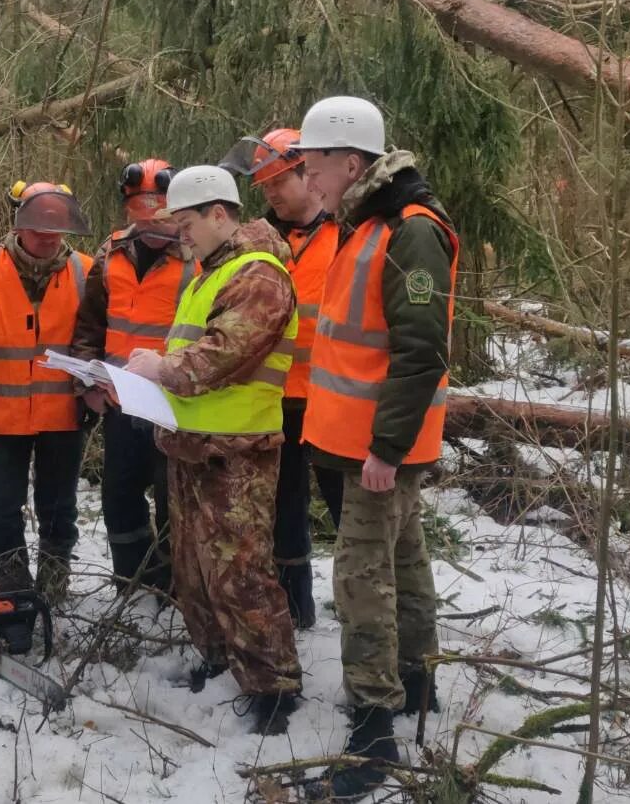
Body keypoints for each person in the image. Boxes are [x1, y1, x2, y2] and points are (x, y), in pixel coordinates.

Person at [293, 96, 457, 799]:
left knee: (361, 578)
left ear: (352, 162)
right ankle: (418, 683)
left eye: (315, 165)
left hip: (379, 450)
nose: (307, 179)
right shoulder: (365, 225)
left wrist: (387, 448)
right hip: (362, 444)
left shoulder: (409, 234)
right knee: (405, 560)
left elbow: (421, 353)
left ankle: (373, 728)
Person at [125, 165, 302, 735]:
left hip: (238, 451)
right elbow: (191, 348)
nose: (181, 235)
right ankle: (219, 657)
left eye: (187, 222)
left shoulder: (259, 275)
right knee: (195, 567)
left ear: (219, 215)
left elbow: (221, 355)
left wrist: (162, 369)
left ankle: (273, 687)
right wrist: (147, 373)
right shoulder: (210, 273)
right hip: (192, 445)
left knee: (241, 572)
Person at [221, 127, 343, 629]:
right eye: (264, 184)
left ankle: (366, 612)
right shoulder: (257, 240)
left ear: (307, 175)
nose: (270, 193)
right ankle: (296, 610)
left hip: (335, 398)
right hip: (276, 398)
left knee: (347, 509)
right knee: (283, 510)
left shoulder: (349, 232)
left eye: (278, 181)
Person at [70, 160, 197, 596]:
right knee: (120, 496)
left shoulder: (197, 256)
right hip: (119, 397)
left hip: (174, 400)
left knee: (171, 501)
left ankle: (174, 588)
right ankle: (132, 581)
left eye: (158, 211)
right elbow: (89, 324)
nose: (149, 220)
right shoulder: (111, 252)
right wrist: (87, 383)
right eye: (141, 211)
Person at [0, 182, 93, 602]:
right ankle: (13, 585)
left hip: (63, 416)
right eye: (38, 225)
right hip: (1, 414)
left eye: (57, 226)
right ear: (18, 221)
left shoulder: (85, 271)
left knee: (58, 509)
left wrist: (96, 389)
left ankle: (53, 588)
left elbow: (97, 337)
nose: (48, 235)